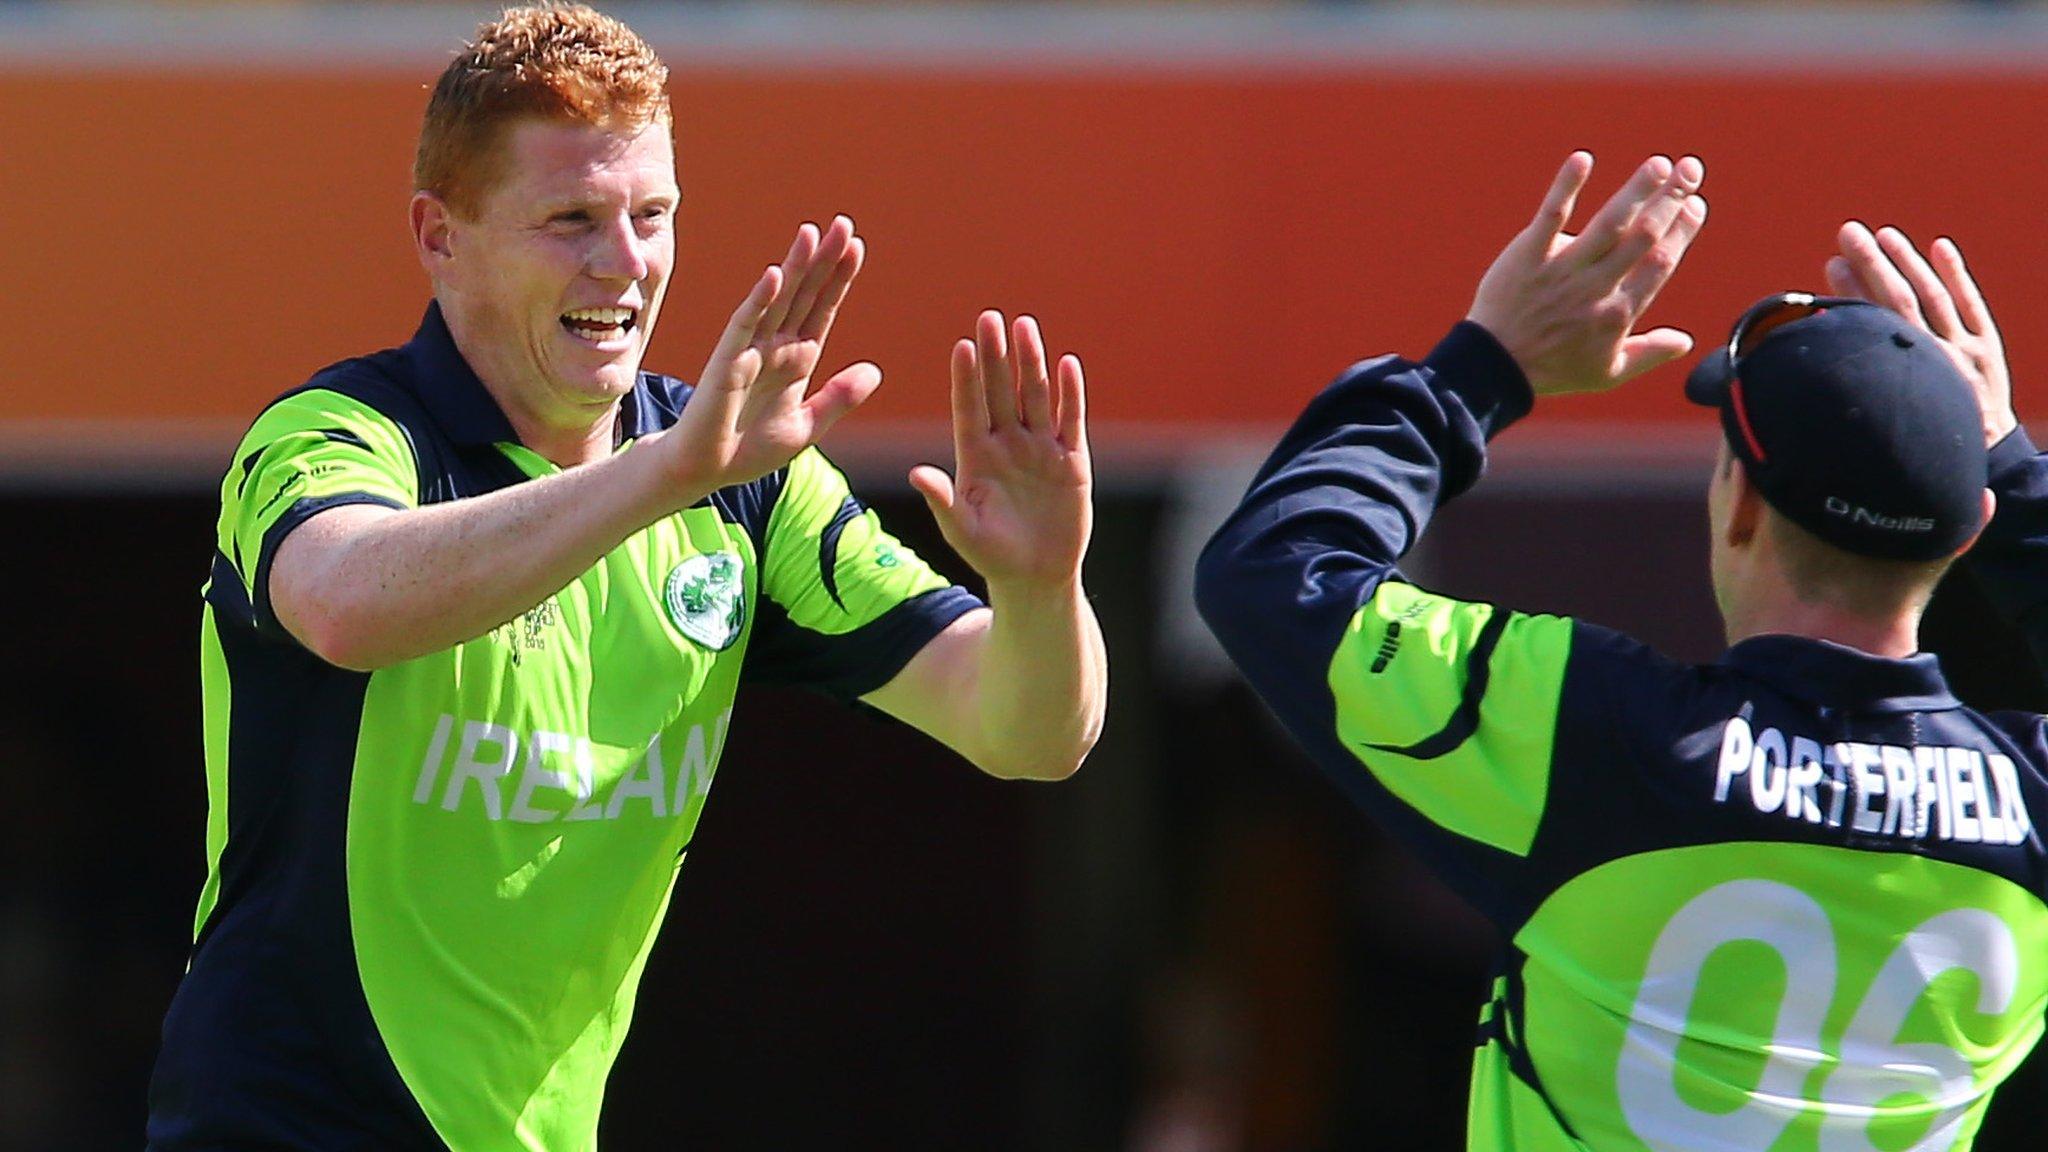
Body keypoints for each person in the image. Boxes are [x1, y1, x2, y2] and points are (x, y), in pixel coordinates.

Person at [145, 5, 1106, 1149]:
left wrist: (1043, 586)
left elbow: (1027, 731)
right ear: (439, 237)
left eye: (653, 216)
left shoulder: (742, 487)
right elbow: (341, 601)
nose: (627, 262)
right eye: (571, 220)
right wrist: (660, 475)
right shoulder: (339, 434)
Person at [1195, 151, 2048, 1150]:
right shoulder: (2025, 802)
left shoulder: (1591, 731)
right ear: (1965, 533)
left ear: (1736, 508)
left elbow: (1273, 570)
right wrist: (2011, 479)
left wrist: (1482, 369)